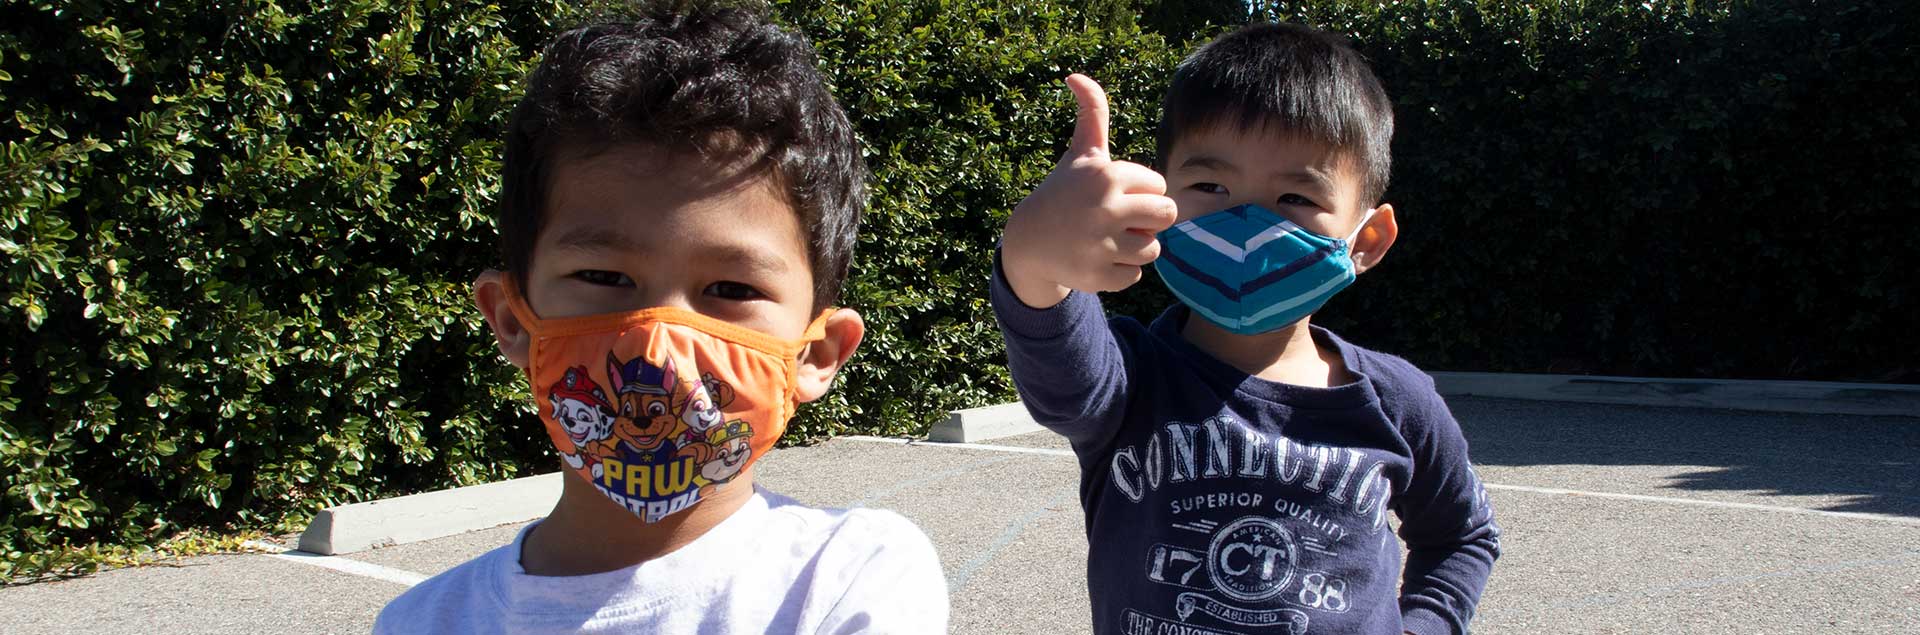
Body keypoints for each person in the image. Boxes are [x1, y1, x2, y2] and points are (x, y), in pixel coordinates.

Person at [375, 3, 948, 632]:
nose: (658, 343)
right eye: (604, 278)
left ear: (817, 354)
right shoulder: (420, 621)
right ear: (513, 321)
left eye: (730, 286)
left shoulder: (851, 576)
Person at [992, 22, 1500, 635]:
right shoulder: (1127, 381)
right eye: (1211, 186)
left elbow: (1461, 535)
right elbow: (1059, 361)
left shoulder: (1398, 402)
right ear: (1158, 199)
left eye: (1294, 197)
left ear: (1367, 239)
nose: (1247, 226)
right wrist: (1033, 257)